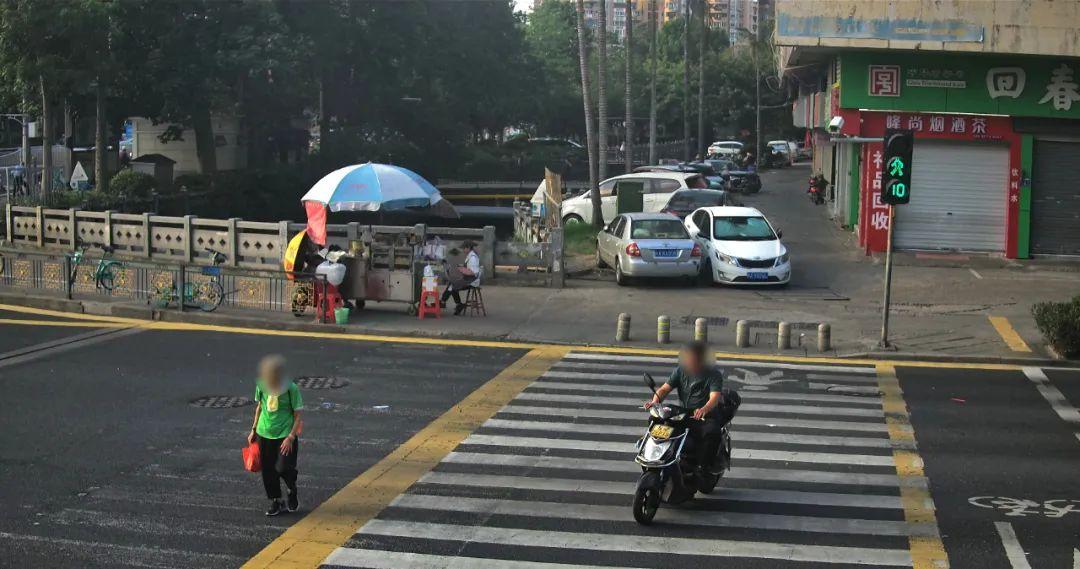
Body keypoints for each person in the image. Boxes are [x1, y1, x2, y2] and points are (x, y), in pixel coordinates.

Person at [644, 341, 739, 474]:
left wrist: (704, 409)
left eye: (693, 359)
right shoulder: (680, 371)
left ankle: (704, 466)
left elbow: (714, 397)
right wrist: (655, 402)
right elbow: (664, 389)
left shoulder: (713, 375)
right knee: (655, 419)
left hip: (705, 415)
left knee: (712, 431)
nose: (689, 362)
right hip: (683, 413)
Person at [247, 355, 304, 516]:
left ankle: (292, 489)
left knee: (284, 467)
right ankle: (276, 501)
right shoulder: (261, 385)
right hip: (264, 433)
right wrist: (253, 429)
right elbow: (260, 407)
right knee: (268, 471)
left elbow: (298, 415)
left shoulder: (291, 389)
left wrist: (291, 437)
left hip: (285, 434)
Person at [441, 240, 481, 316]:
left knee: (452, 285)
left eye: (464, 248)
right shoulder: (470, 256)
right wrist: (462, 268)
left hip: (472, 281)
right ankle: (455, 304)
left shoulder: (472, 258)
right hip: (468, 278)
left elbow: (474, 272)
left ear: (468, 248)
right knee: (452, 283)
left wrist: (463, 270)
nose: (463, 250)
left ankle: (444, 302)